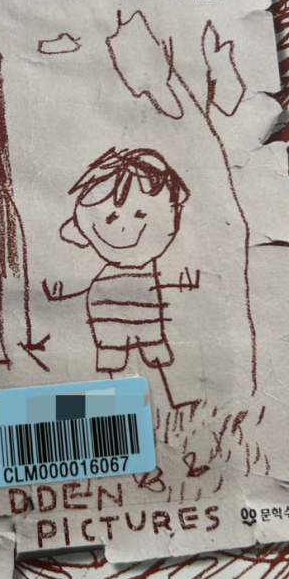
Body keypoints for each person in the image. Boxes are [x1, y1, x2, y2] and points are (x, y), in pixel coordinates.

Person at [43, 147, 198, 401]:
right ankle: (123, 406)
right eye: (110, 217)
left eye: (140, 214)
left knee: (155, 353)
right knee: (114, 358)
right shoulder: (104, 268)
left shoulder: (154, 268)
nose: (124, 227)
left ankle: (171, 400)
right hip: (106, 315)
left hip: (147, 315)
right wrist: (61, 292)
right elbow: (82, 282)